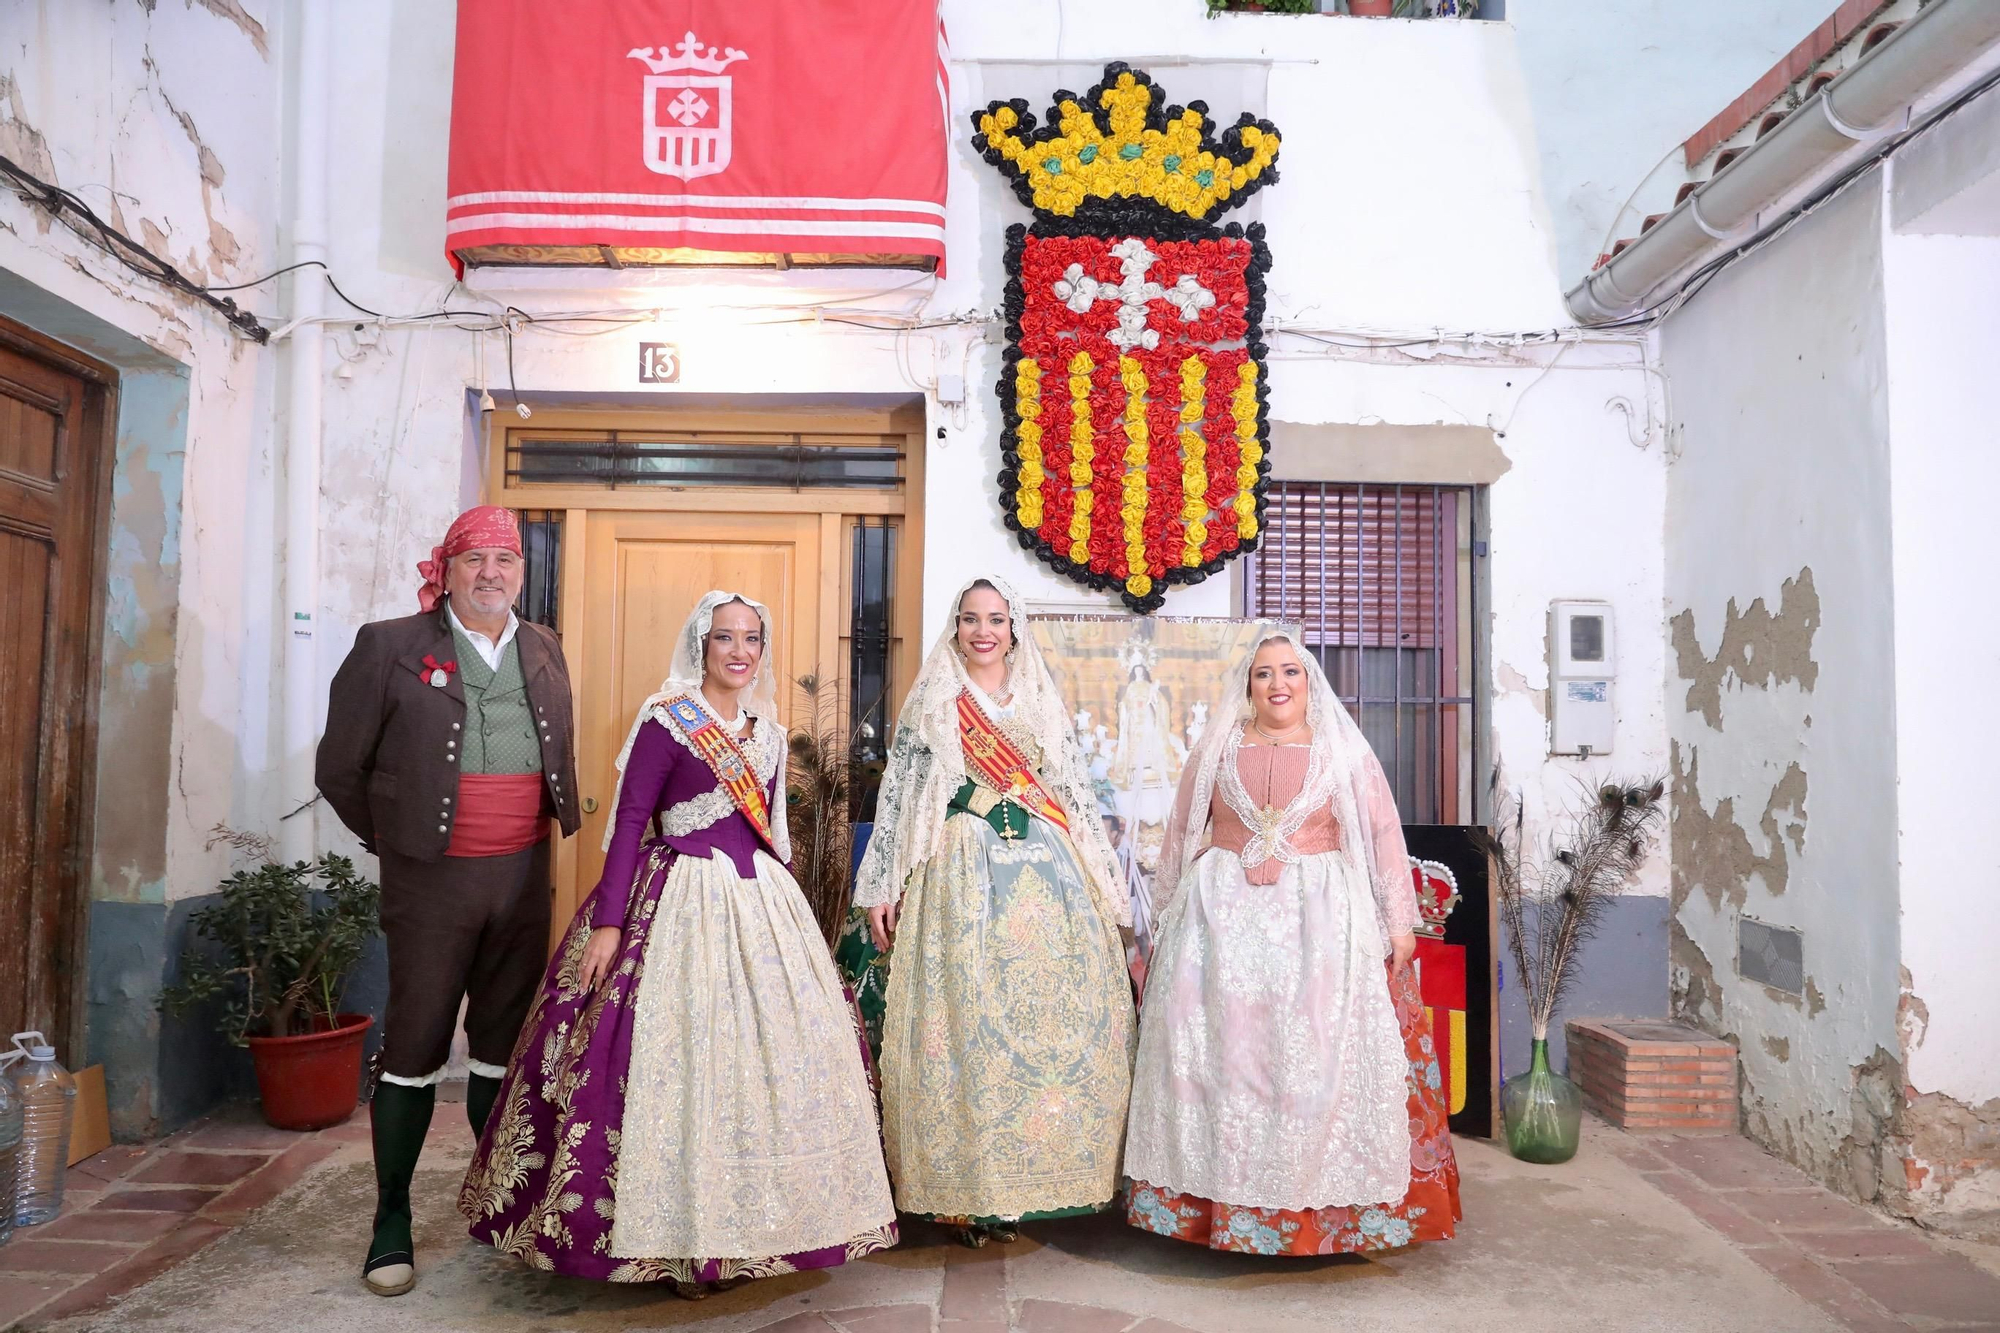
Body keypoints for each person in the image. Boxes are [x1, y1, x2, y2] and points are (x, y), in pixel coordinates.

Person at [458, 592, 896, 1297]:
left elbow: (773, 839)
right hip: (676, 902)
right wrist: (608, 922)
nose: (739, 651)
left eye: (751, 638)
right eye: (725, 637)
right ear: (702, 644)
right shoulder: (669, 720)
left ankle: (758, 1225)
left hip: (759, 907)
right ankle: (678, 1243)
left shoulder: (772, 736)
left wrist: (796, 936)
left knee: (770, 1071)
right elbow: (631, 820)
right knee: (677, 1066)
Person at [1123, 627, 1461, 1256]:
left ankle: (1320, 1213)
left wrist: (1396, 921)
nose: (1277, 684)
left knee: (1310, 1054)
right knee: (1228, 1057)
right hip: (1221, 924)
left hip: (1321, 923)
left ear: (1309, 681)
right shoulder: (1217, 749)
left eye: (1290, 672)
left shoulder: (1342, 750)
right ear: (1247, 686)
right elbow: (1179, 833)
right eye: (1263, 673)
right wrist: (1164, 913)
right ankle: (1217, 1208)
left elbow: (1383, 832)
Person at [314, 504, 581, 1297]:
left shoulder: (543, 646)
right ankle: (390, 1217)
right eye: (475, 560)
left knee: (507, 1040)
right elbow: (339, 769)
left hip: (524, 876)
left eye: (505, 560)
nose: (491, 573)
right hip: (430, 880)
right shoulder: (390, 645)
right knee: (418, 1040)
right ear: (448, 568)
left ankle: (503, 1205)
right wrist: (400, 839)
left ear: (521, 573)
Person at [850, 576, 1135, 1247]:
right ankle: (968, 1190)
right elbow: (900, 798)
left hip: (1046, 869)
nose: (984, 631)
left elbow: (1071, 788)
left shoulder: (1039, 695)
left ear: (1014, 627)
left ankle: (1036, 1174)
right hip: (959, 871)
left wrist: (1099, 875)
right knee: (967, 1020)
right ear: (955, 626)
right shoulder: (936, 701)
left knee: (1043, 1023)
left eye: (997, 619)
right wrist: (884, 884)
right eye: (971, 618)